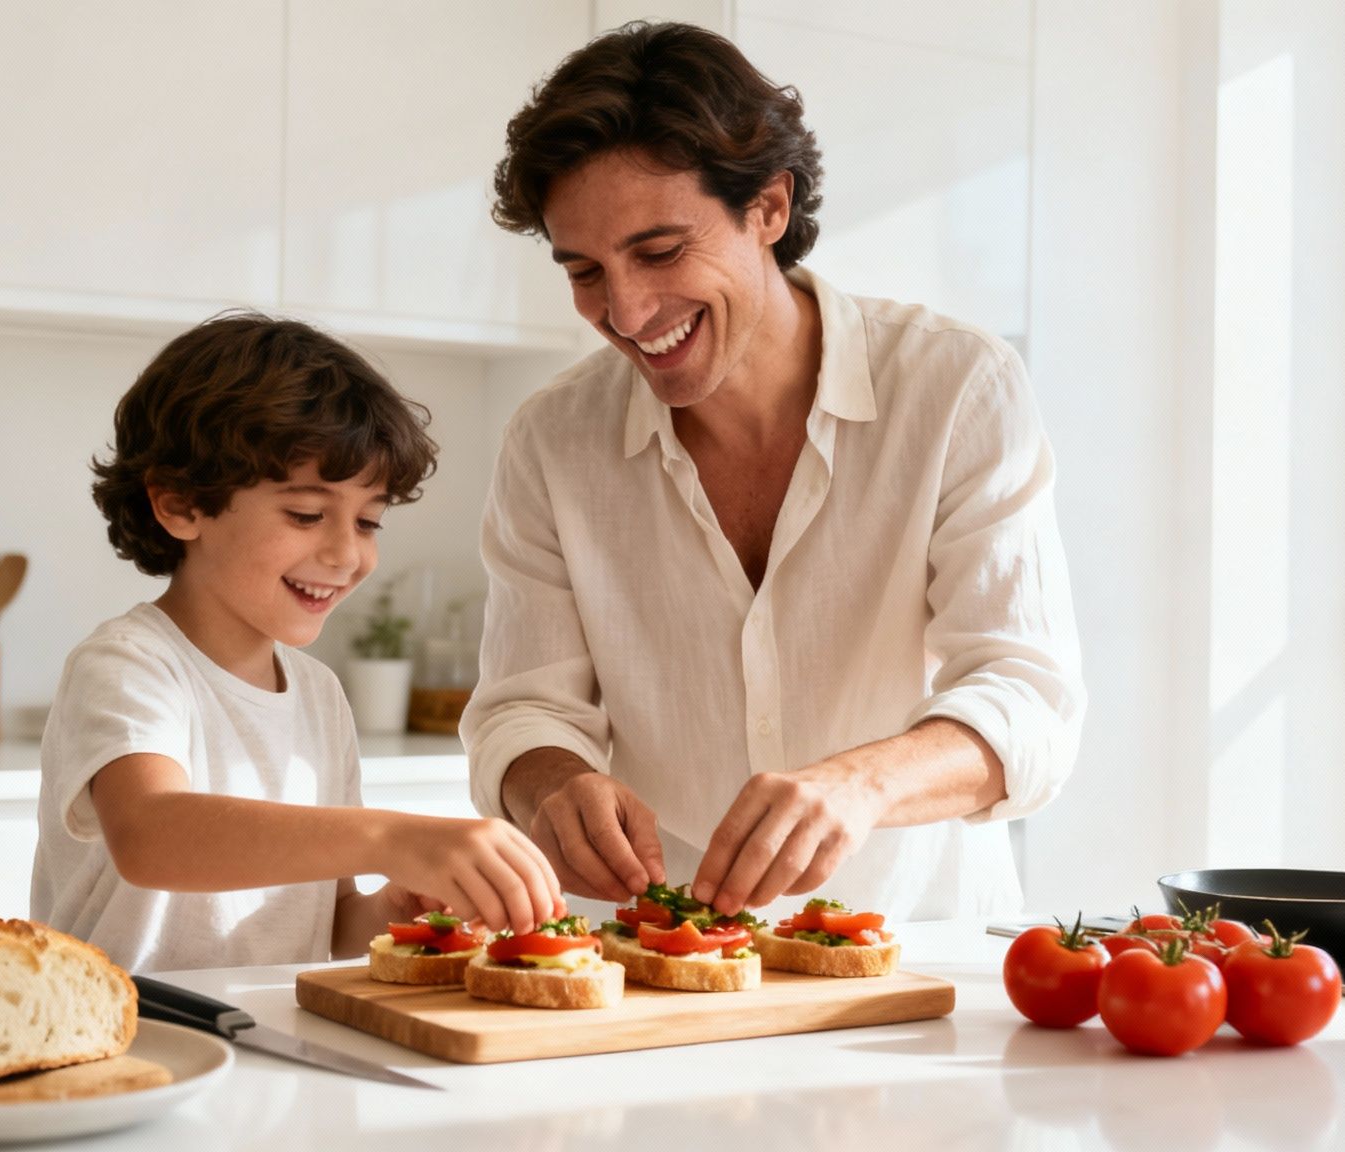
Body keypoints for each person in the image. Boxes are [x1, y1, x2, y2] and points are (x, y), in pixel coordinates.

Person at [462, 23, 1086, 923]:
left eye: (661, 251)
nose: (627, 312)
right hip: (654, 961)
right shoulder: (551, 441)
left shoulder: (956, 389)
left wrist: (861, 784)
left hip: (912, 955)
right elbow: (521, 710)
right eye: (585, 270)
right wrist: (549, 781)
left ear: (769, 208)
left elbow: (1029, 701)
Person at [31, 313, 560, 974]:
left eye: (368, 520)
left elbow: (327, 923)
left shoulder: (320, 695)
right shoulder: (131, 665)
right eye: (307, 514)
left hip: (270, 1035)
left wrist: (395, 906)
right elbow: (151, 835)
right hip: (133, 1046)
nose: (347, 552)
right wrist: (393, 838)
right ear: (180, 504)